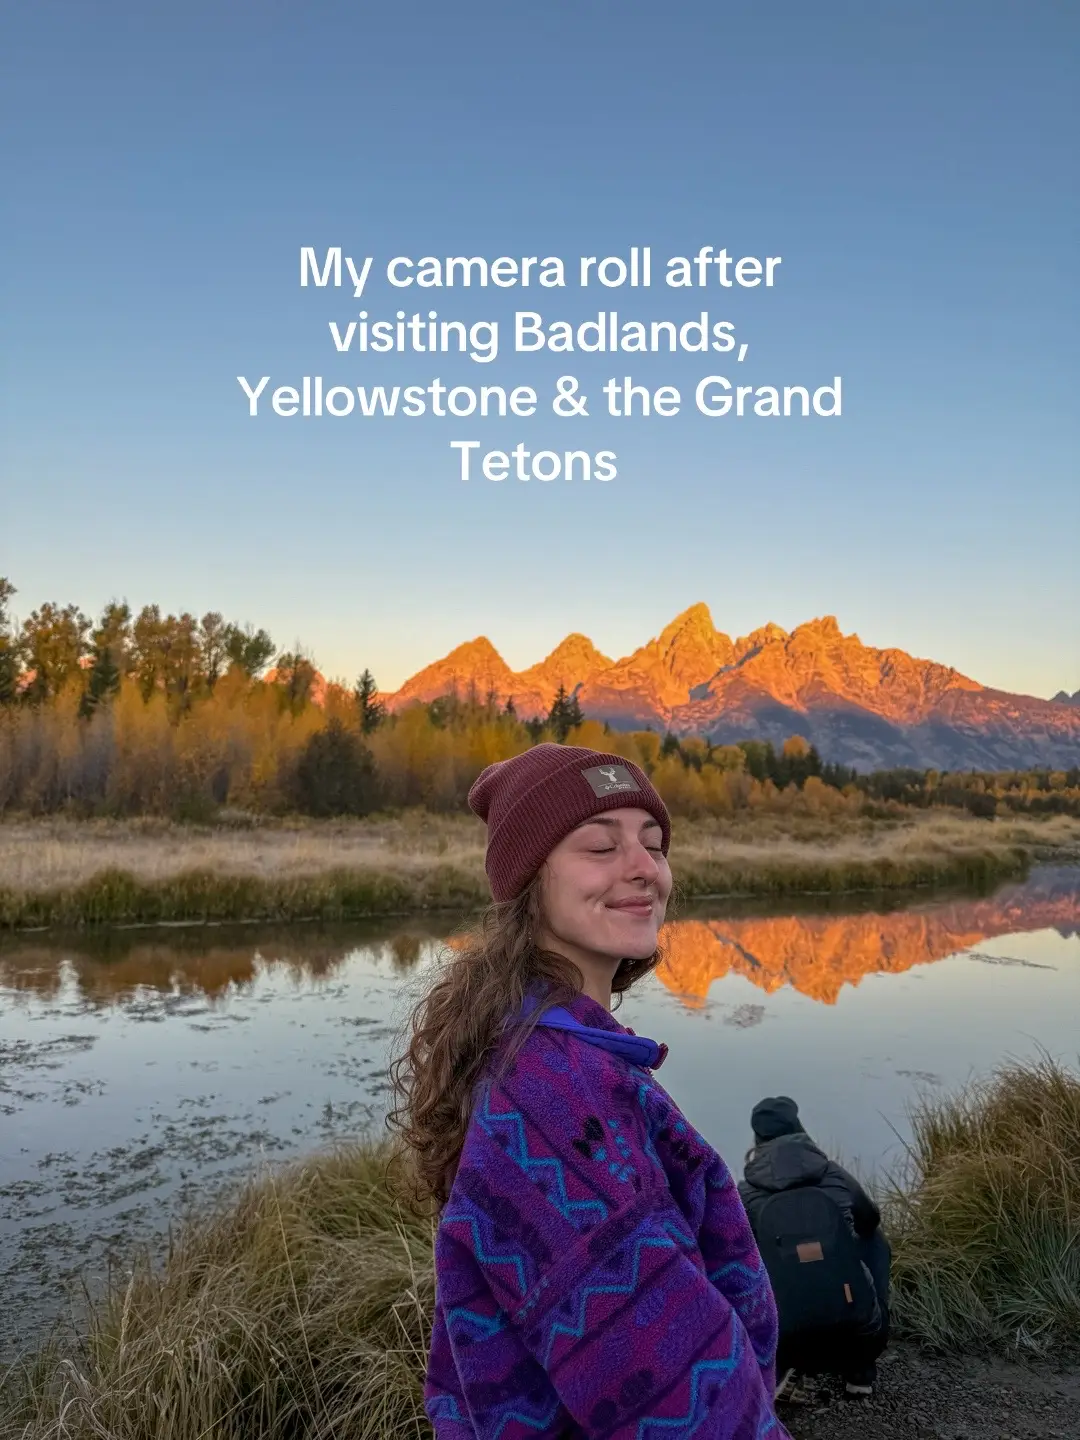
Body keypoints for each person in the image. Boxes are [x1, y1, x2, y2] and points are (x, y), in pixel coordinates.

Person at [390, 743, 792, 1439]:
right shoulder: (555, 1095)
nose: (645, 869)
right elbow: (673, 1390)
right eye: (601, 847)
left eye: (654, 845)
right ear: (529, 883)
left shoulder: (547, 1045)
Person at [737, 1097, 891, 1398]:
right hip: (859, 1333)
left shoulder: (746, 1192)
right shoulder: (834, 1175)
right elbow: (869, 1219)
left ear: (758, 1139)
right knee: (875, 1240)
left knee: (756, 1261)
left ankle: (777, 1367)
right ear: (799, 1128)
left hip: (785, 1339)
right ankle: (860, 1371)